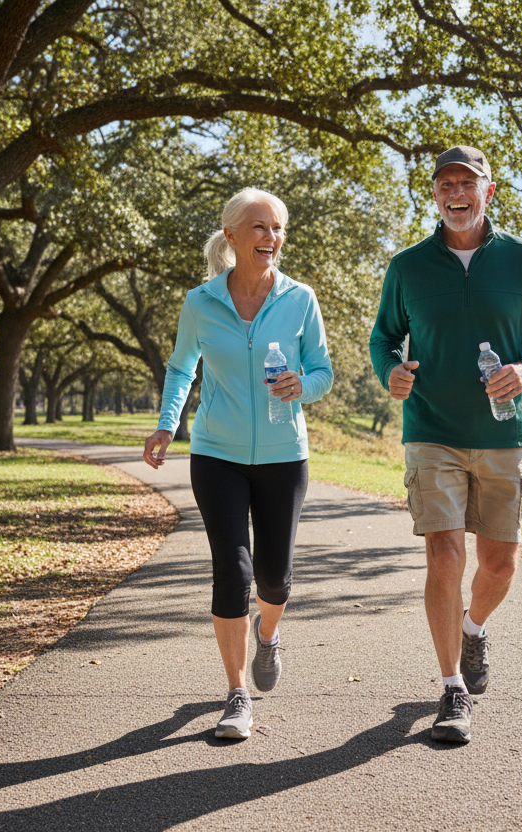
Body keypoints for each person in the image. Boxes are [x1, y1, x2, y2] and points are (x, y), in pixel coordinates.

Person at [369, 146, 522, 743]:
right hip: (432, 432)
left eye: (467, 182)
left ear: (488, 189)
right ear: (434, 193)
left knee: (500, 562)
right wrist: (391, 373)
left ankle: (474, 626)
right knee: (443, 555)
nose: (455, 192)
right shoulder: (408, 266)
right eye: (444, 183)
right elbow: (384, 338)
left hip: (503, 433)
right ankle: (453, 687)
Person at [144, 187, 333, 740]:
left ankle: (268, 636)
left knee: (274, 578)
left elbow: (323, 371)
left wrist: (303, 386)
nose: (271, 237)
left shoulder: (300, 299)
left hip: (283, 454)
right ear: (231, 235)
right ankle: (236, 694)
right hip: (216, 453)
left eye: (277, 228)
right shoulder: (201, 301)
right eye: (259, 227)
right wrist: (167, 423)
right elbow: (182, 368)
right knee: (234, 570)